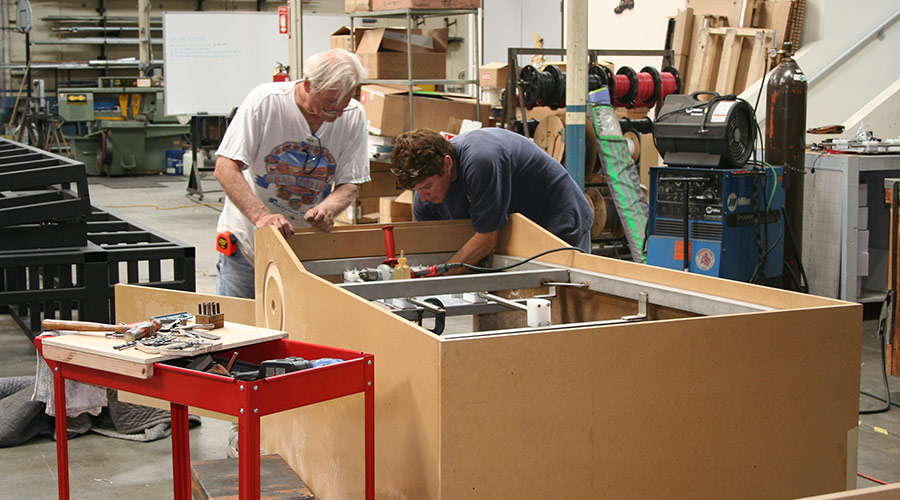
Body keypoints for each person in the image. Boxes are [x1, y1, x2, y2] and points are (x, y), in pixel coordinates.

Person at [214, 49, 369, 298]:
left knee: (296, 328)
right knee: (239, 328)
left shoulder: (352, 114)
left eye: (344, 102)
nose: (338, 112)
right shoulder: (266, 102)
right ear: (308, 84)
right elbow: (225, 167)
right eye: (329, 104)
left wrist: (328, 207)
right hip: (246, 245)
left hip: (302, 246)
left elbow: (350, 182)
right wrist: (262, 217)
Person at [390, 127, 593, 273]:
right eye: (416, 190)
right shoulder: (424, 199)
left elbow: (487, 239)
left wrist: (437, 276)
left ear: (447, 164)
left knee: (561, 313)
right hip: (515, 237)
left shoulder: (481, 160)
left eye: (427, 187)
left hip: (558, 223)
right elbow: (432, 249)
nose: (423, 197)